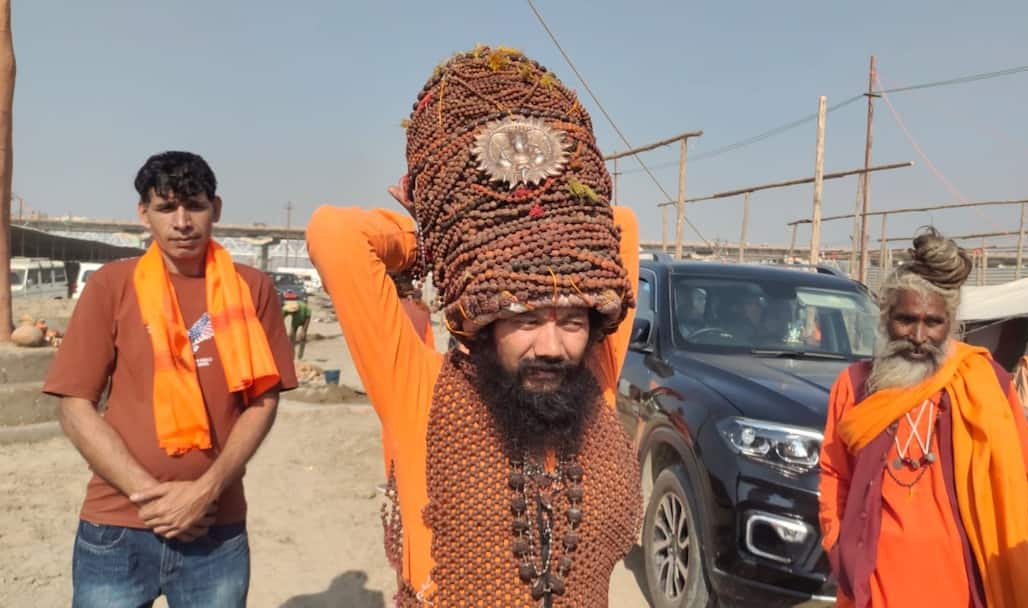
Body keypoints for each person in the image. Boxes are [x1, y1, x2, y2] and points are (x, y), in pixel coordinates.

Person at [307, 46, 641, 606]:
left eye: (572, 321)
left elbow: (621, 229)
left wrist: (528, 235)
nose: (552, 346)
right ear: (484, 319)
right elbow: (334, 234)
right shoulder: (419, 391)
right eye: (526, 318)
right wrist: (448, 239)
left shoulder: (595, 380)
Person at [43, 151, 298, 607]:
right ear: (144, 214)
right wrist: (152, 498)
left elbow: (263, 400)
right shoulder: (111, 285)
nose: (182, 222)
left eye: (194, 206)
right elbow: (74, 405)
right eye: (165, 208)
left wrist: (205, 491)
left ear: (215, 209)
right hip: (117, 527)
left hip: (214, 530)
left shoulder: (252, 288)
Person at [818, 227, 1028, 608]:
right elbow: (834, 473)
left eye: (933, 323)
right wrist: (838, 542)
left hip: (966, 582)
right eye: (906, 319)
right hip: (876, 582)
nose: (918, 335)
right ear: (885, 319)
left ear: (951, 325)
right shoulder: (855, 385)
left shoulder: (984, 381)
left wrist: (1009, 554)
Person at [281, 292, 313, 358]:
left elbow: (308, 317)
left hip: (304, 321)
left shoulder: (303, 306)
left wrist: (304, 330)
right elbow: (281, 318)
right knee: (291, 336)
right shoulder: (287, 307)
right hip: (295, 322)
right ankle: (291, 354)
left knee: (302, 337)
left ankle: (300, 356)